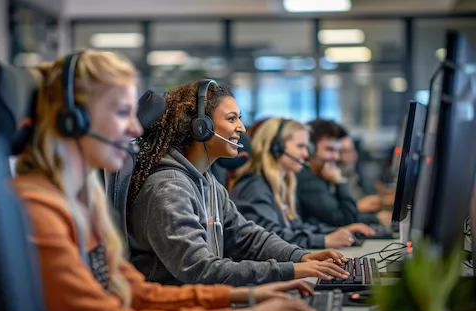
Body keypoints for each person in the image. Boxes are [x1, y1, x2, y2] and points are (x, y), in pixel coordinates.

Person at [11, 51, 319, 311]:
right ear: (73, 120)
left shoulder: (81, 203)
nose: (134, 127)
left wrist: (246, 296)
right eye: (122, 112)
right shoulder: (38, 211)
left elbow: (138, 293)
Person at [128, 80, 350, 287]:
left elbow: (247, 237)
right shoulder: (169, 189)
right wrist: (292, 270)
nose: (242, 128)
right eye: (232, 118)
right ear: (200, 126)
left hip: (203, 302)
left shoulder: (208, 182)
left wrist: (300, 256)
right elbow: (200, 270)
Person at [231, 118, 375, 249]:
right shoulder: (254, 186)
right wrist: (324, 240)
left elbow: (295, 228)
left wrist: (336, 232)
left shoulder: (281, 185)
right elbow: (272, 238)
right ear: (276, 147)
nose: (306, 154)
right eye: (300, 146)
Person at [295, 119, 391, 227]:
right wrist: (340, 181)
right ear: (310, 148)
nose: (336, 157)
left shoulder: (319, 175)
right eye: (329, 149)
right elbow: (345, 219)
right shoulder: (307, 178)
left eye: (337, 151)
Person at [339, 135, 395, 212]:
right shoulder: (337, 180)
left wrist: (382, 199)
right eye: (347, 151)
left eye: (353, 150)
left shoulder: (351, 176)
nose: (354, 156)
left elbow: (360, 200)